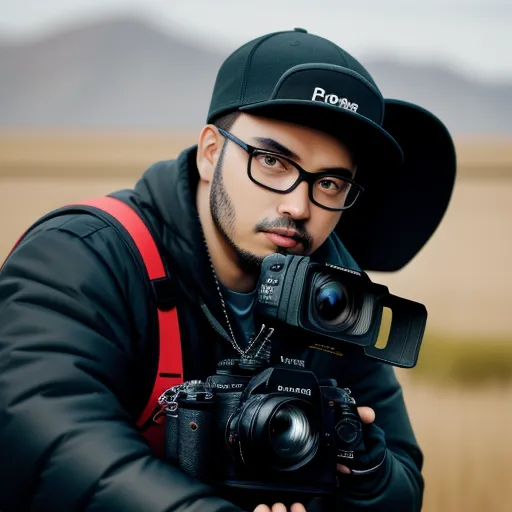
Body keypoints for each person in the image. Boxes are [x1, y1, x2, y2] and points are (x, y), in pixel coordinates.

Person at [0, 28, 456, 512]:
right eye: (273, 161)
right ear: (211, 153)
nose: (299, 205)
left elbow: (403, 485)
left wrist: (367, 470)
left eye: (329, 182)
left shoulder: (335, 305)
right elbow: (45, 434)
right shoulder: (84, 256)